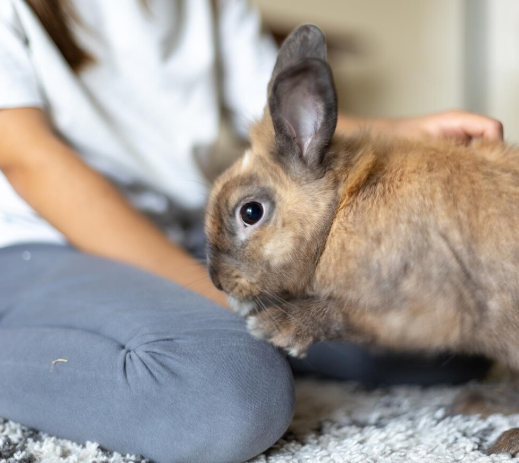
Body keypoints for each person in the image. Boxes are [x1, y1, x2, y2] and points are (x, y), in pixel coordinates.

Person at [0, 1, 502, 462]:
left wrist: (399, 133)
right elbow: (34, 163)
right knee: (229, 394)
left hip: (177, 226)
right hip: (39, 244)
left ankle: (189, 328)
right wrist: (235, 306)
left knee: (439, 344)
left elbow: (274, 122)